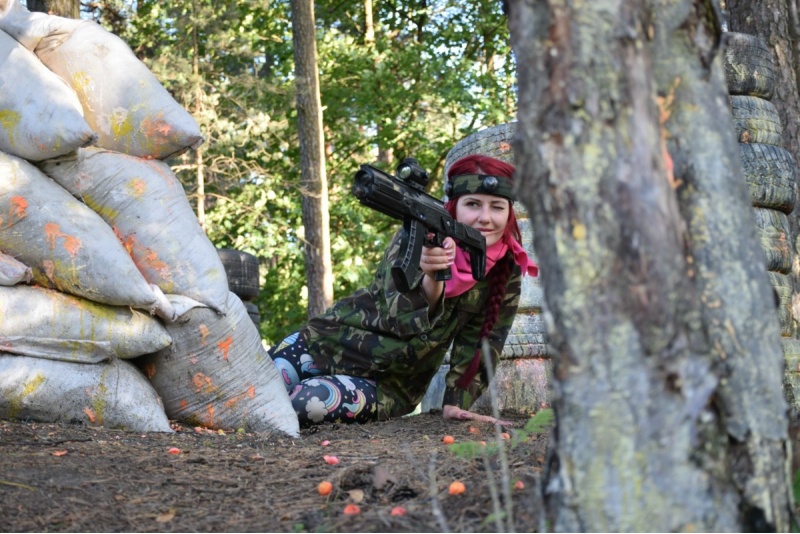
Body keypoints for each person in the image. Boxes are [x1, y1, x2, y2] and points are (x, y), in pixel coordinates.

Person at [267, 154, 538, 427]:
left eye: (497, 207)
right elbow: (393, 316)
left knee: (303, 403)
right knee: (254, 391)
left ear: (509, 212)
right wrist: (430, 278)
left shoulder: (506, 267)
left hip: (389, 387)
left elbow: (484, 339)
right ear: (453, 207)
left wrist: (456, 402)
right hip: (327, 342)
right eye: (472, 204)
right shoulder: (416, 236)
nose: (485, 218)